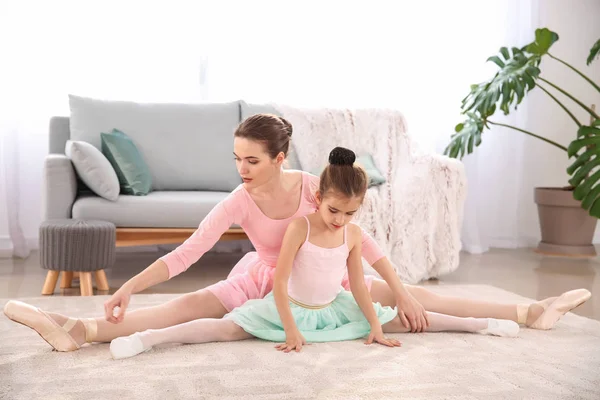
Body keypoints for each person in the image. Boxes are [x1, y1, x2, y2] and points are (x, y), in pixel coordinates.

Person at [3, 114, 591, 353]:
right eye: (237, 159)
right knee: (187, 307)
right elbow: (189, 252)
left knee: (420, 301)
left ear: (281, 157)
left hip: (323, 282)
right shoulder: (237, 198)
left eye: (253, 161)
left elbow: (363, 242)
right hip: (263, 278)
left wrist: (401, 287)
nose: (242, 170)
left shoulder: (315, 188)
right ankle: (76, 330)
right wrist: (131, 285)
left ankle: (527, 312)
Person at [109, 147, 521, 359]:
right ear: (317, 197)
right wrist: (290, 327)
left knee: (402, 320)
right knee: (226, 328)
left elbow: (358, 283)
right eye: (334, 210)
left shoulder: (353, 233)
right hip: (288, 306)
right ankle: (148, 338)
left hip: (333, 305)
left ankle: (481, 324)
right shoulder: (300, 227)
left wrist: (375, 324)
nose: (340, 220)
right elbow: (282, 282)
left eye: (350, 213)